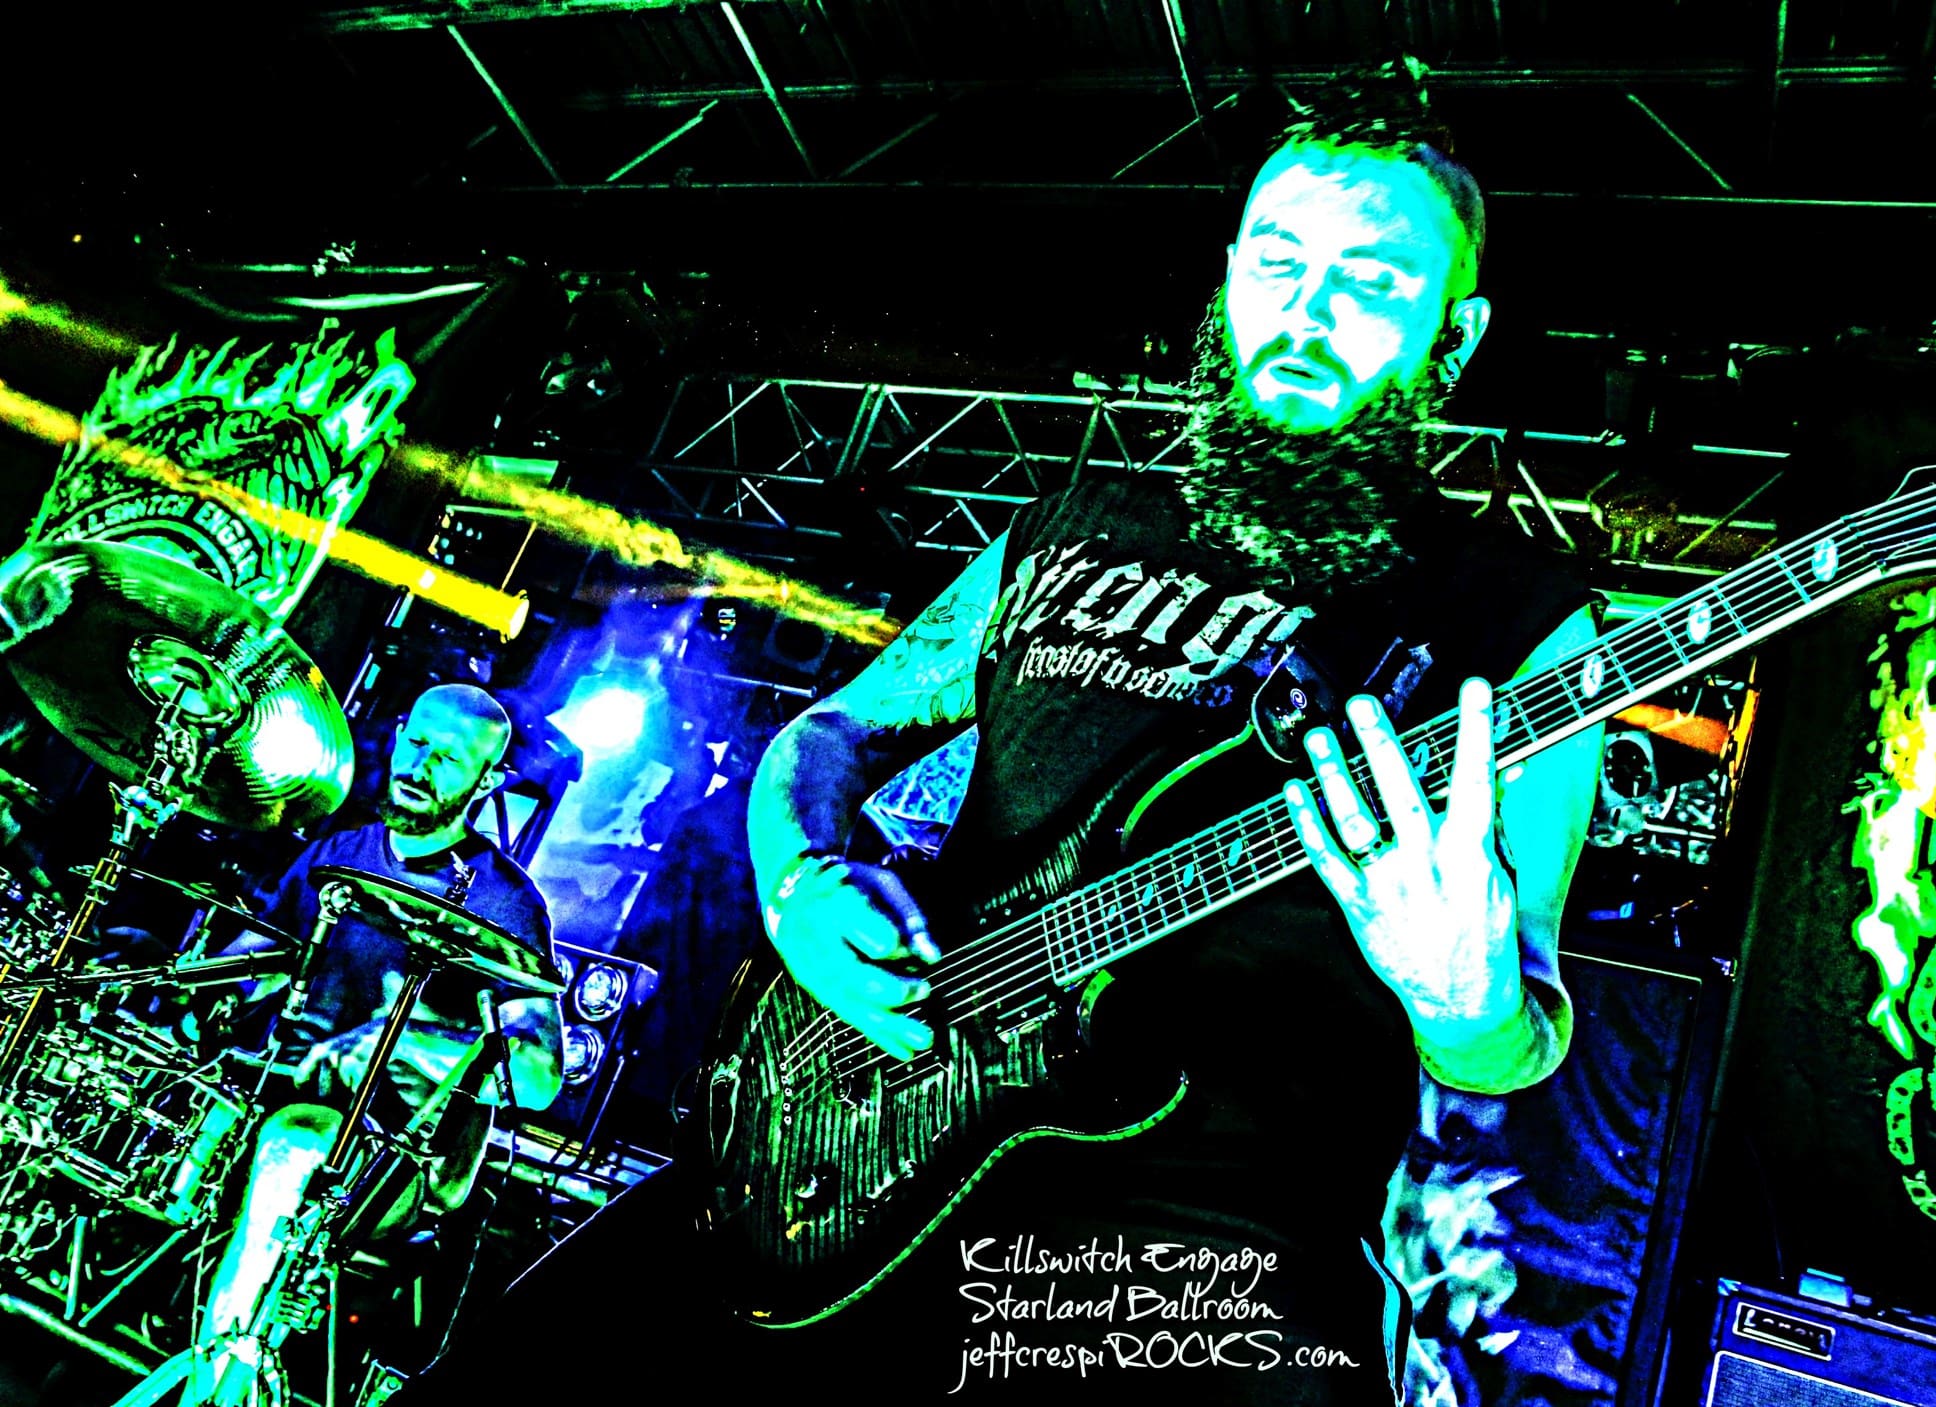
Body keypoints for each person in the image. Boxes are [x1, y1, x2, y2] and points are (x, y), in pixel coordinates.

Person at [401, 75, 1603, 1406]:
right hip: (857, 1125)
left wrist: (1461, 998)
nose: (1305, 312)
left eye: (1370, 281)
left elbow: (1522, 1026)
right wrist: (800, 881)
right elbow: (833, 729)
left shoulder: (1516, 620)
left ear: (1455, 334)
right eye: (1276, 260)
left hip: (1199, 1260)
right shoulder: (1071, 519)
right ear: (1226, 278)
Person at [165, 683, 563, 1407]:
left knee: (294, 1140)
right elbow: (268, 953)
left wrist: (399, 1039)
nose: (421, 766)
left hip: (395, 1151)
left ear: (487, 782)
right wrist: (200, 983)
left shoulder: (506, 903)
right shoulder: (341, 850)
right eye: (418, 742)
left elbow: (538, 1077)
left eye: (450, 759)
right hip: (280, 1084)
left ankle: (222, 1375)